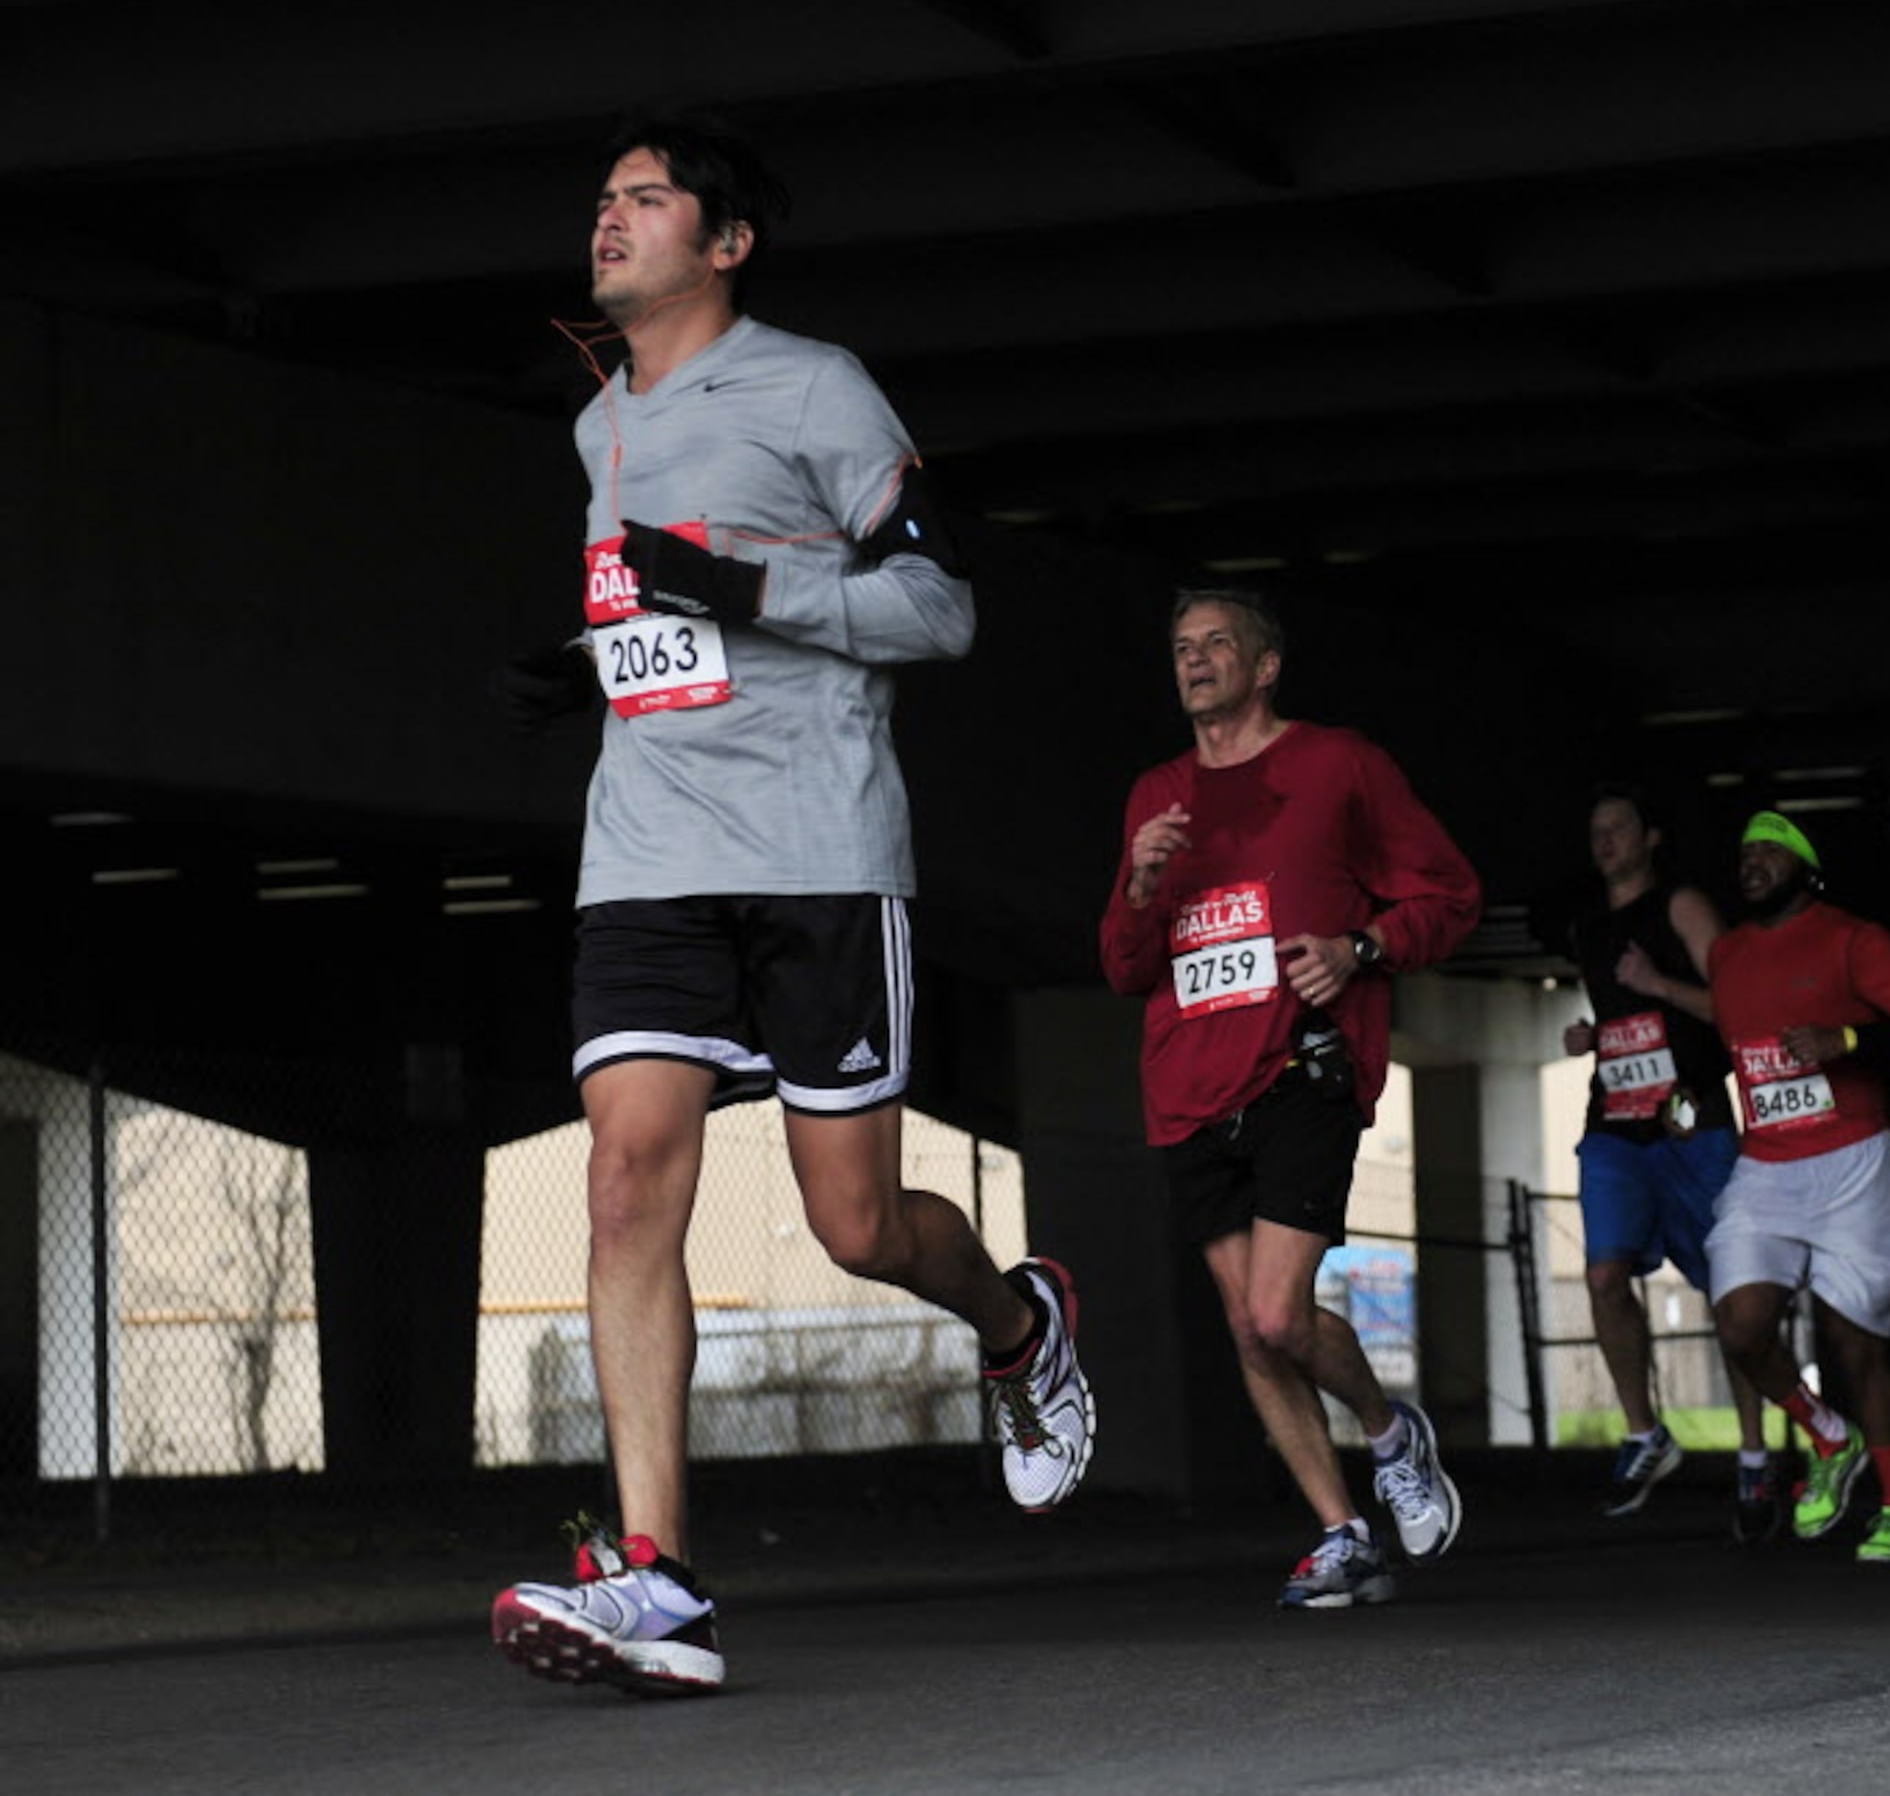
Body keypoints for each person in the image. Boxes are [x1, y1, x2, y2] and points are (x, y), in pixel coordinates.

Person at [489, 113, 1093, 1697]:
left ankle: (1021, 1324)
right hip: (647, 850)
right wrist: (595, 663)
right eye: (599, 195)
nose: (607, 218)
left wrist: (749, 591)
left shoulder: (817, 387)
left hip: (817, 848)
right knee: (627, 1177)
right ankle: (661, 1578)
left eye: (644, 197)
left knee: (857, 1221)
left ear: (726, 240)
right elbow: (663, 607)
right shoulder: (598, 420)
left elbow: (937, 607)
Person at [1100, 588, 1482, 1607]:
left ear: (1265, 666)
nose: (1195, 659)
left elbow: (1449, 896)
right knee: (1248, 1330)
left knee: (1274, 1315)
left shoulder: (1337, 766)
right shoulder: (1157, 794)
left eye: (1217, 643)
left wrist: (1361, 947)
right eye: (1181, 646)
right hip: (1186, 1088)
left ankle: (1391, 1433)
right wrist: (1139, 886)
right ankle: (1342, 1532)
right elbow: (1125, 966)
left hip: (1299, 1067)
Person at [1703, 812, 1890, 1563]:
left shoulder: (1853, 938)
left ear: (1806, 866)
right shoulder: (1726, 954)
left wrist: (1847, 1040)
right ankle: (1825, 1434)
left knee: (1857, 1347)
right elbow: (1722, 1042)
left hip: (1852, 1160)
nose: (1751, 860)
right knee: (1741, 1325)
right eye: (1744, 849)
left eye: (1770, 849)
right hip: (1766, 1164)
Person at [1557, 787, 1771, 1533]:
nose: (1605, 840)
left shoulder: (1680, 907)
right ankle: (1645, 1433)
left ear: (1651, 837)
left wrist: (1658, 985)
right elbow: (1625, 1018)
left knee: (1730, 1296)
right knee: (1604, 1276)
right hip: (1615, 1122)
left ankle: (1754, 1458)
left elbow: (1737, 1005)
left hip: (1691, 1124)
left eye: (1618, 827)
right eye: (1596, 830)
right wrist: (1593, 1035)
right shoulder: (1587, 928)